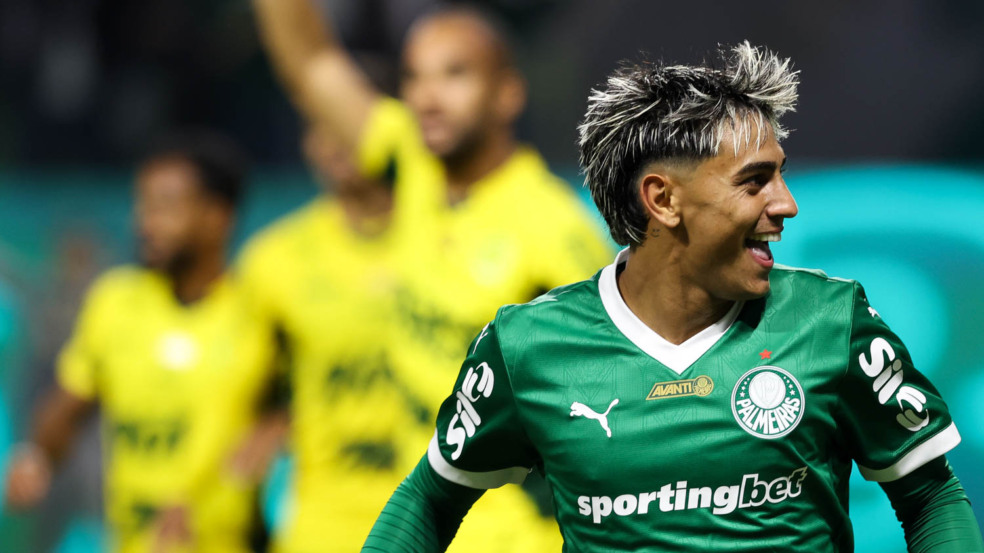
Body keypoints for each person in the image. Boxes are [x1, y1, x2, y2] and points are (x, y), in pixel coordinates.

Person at [361, 43, 984, 552]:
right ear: (663, 200)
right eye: (754, 181)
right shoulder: (527, 347)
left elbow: (930, 499)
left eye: (782, 173)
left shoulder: (830, 320)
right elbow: (427, 501)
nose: (786, 204)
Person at [252, 1, 612, 550]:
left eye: (455, 74)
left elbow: (621, 401)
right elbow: (311, 65)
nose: (427, 96)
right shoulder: (414, 168)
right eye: (414, 77)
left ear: (508, 94)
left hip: (510, 537)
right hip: (420, 526)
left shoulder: (552, 230)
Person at [4, 132, 285, 553]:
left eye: (166, 207)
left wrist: (268, 437)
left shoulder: (260, 310)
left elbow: (298, 405)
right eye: (143, 205)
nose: (145, 222)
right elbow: (70, 401)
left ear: (217, 217)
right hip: (133, 541)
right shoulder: (116, 301)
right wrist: (37, 458)